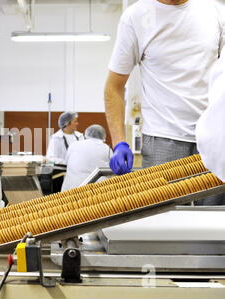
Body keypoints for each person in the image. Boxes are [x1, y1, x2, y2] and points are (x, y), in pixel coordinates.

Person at [105, 0, 224, 178]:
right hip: (162, 141)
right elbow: (113, 87)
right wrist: (119, 142)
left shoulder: (216, 12)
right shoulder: (136, 16)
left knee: (214, 207)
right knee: (164, 206)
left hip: (214, 138)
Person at [61, 125, 112, 191]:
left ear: (86, 134)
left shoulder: (74, 144)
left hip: (69, 192)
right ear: (103, 135)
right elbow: (111, 169)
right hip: (97, 192)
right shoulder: (106, 148)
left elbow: (66, 162)